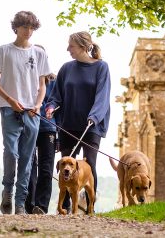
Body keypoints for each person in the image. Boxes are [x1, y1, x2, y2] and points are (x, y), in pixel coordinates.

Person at [0, 11, 51, 215]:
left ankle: (19, 203)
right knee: (11, 152)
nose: (28, 31)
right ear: (16, 27)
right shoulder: (4, 51)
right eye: (25, 27)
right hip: (9, 110)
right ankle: (7, 190)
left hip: (32, 112)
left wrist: (38, 104)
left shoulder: (40, 54)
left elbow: (42, 85)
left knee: (27, 158)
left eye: (32, 28)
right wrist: (10, 100)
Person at [46, 31, 110, 213]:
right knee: (66, 166)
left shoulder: (101, 67)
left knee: (89, 165)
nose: (68, 49)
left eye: (71, 46)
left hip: (92, 125)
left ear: (83, 47)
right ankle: (64, 207)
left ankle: (90, 208)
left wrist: (94, 117)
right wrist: (51, 107)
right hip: (68, 124)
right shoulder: (66, 68)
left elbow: (102, 97)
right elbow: (55, 95)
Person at [25, 71, 57, 215]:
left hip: (48, 128)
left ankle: (41, 206)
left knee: (46, 168)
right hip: (28, 127)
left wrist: (59, 137)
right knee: (28, 167)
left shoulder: (54, 82)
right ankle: (29, 205)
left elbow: (59, 106)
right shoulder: (25, 78)